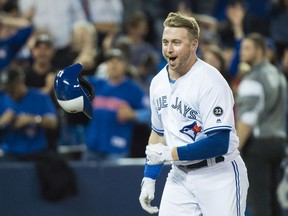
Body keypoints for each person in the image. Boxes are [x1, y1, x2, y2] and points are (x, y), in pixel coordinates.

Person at [138, 12, 249, 216]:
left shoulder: (211, 82)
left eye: (176, 42)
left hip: (219, 174)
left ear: (193, 45)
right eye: (165, 42)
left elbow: (219, 142)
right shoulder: (157, 83)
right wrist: (149, 178)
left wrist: (170, 154)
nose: (169, 49)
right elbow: (158, 135)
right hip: (179, 175)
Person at [236, 33, 287, 216]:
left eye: (247, 48)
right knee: (274, 202)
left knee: (259, 204)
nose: (242, 53)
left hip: (259, 146)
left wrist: (234, 150)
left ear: (260, 51)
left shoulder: (254, 78)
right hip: (278, 143)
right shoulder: (278, 74)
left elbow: (248, 119)